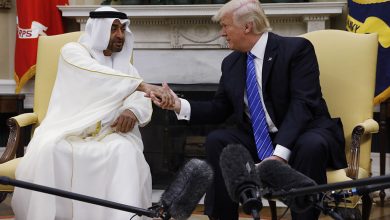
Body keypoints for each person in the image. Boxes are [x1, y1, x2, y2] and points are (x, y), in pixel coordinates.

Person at [152, 0, 348, 219]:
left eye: (225, 26)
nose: (221, 33)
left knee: (310, 145)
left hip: (303, 131)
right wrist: (178, 104)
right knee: (219, 140)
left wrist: (279, 155)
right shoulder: (232, 63)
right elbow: (220, 108)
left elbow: (302, 105)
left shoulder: (296, 50)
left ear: (247, 26)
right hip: (259, 138)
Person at [11, 6, 173, 220]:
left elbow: (138, 99)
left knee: (125, 152)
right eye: (113, 28)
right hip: (67, 132)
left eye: (123, 29)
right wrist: (143, 86)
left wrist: (132, 110)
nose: (120, 35)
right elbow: (98, 75)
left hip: (109, 134)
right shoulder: (72, 52)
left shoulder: (126, 68)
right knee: (50, 151)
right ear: (97, 29)